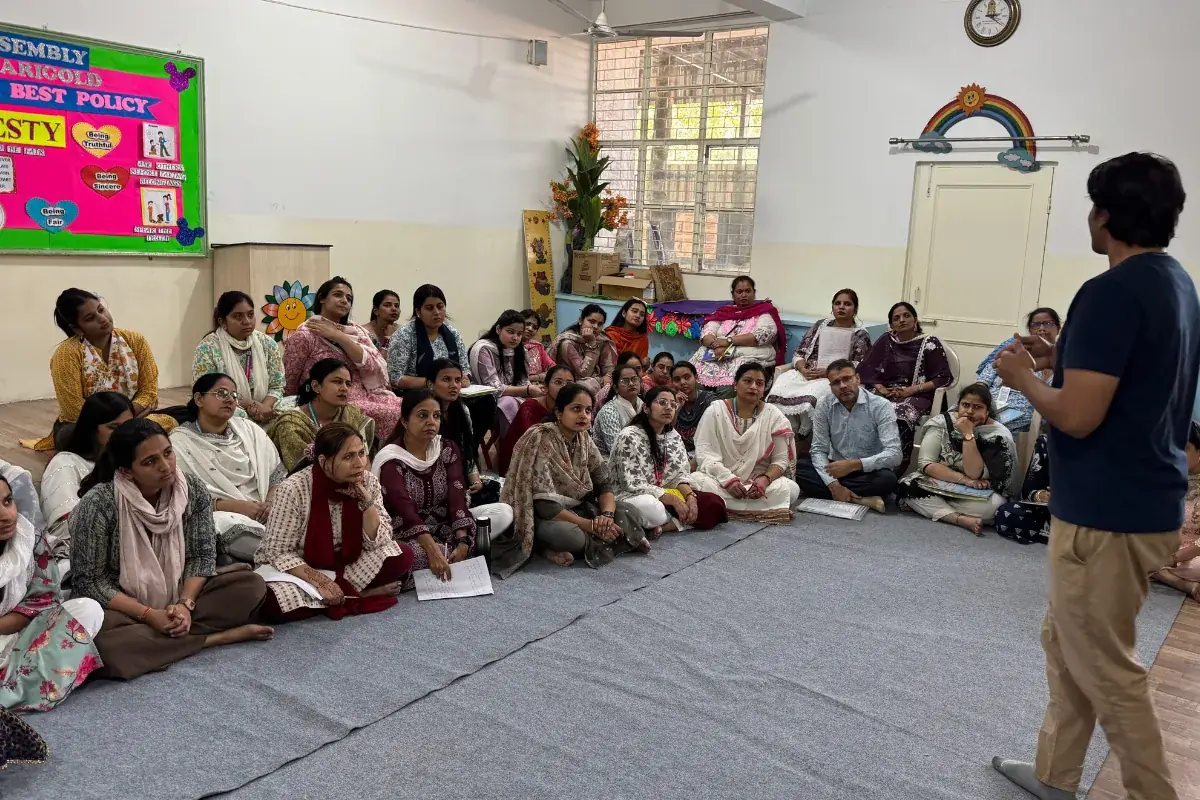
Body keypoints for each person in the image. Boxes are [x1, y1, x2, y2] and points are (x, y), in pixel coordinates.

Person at [992, 152, 1197, 800]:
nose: (1089, 216)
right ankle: (1056, 775)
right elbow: (1132, 378)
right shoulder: (1175, 282)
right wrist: (1065, 357)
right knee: (1067, 641)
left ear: (1106, 215)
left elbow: (1078, 415)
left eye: (1092, 206)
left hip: (1108, 511)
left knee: (1107, 669)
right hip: (1140, 501)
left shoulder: (1111, 290)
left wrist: (1024, 377)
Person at [69, 419, 273, 680]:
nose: (166, 467)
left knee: (251, 586)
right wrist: (148, 615)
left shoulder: (191, 489)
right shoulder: (99, 503)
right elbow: (91, 582)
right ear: (127, 471)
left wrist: (185, 604)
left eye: (168, 453)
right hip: (123, 609)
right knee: (101, 646)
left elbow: (201, 555)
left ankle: (165, 638)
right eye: (150, 462)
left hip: (179, 597)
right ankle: (215, 638)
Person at [256, 423, 411, 621]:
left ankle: (333, 598)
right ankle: (358, 595)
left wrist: (366, 503)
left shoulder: (368, 482)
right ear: (324, 461)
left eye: (362, 453)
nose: (359, 464)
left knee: (402, 555)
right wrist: (321, 582)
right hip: (302, 568)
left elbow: (379, 541)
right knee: (270, 602)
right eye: (348, 457)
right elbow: (278, 551)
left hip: (347, 563)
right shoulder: (293, 489)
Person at [493, 384, 646, 577]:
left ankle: (603, 534)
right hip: (539, 515)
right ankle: (544, 548)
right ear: (559, 412)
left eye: (588, 410)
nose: (583, 415)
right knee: (571, 537)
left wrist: (606, 517)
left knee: (628, 510)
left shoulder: (584, 439)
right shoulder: (540, 438)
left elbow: (603, 483)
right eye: (576, 409)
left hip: (578, 508)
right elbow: (544, 505)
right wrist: (589, 525)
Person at [0, 475, 103, 711]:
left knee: (87, 609)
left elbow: (44, 601)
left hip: (19, 634)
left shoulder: (28, 539)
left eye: (7, 502)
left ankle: (16, 688)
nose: (7, 516)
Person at [373, 391, 496, 589]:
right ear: (405, 421)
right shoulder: (392, 459)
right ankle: (442, 561)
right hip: (406, 530)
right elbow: (404, 510)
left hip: (443, 523)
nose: (431, 421)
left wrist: (463, 541)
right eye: (422, 415)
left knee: (489, 524)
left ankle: (452, 557)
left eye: (436, 416)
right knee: (410, 554)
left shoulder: (446, 449)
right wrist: (432, 550)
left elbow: (457, 496)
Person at [23, 289, 162, 451]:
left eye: (101, 309)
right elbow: (73, 410)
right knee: (85, 442)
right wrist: (118, 422)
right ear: (76, 328)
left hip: (133, 415)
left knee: (171, 423)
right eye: (90, 318)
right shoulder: (66, 354)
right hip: (86, 427)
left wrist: (125, 419)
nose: (102, 319)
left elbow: (149, 392)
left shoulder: (135, 340)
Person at [170, 374, 285, 564]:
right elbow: (186, 499)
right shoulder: (180, 443)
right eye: (221, 393)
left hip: (268, 507)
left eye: (234, 395)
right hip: (224, 513)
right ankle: (282, 553)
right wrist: (237, 507)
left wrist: (270, 503)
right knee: (219, 523)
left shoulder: (249, 429)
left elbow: (276, 476)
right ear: (199, 399)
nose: (230, 399)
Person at [283, 276, 402, 441]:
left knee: (412, 407)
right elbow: (291, 378)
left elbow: (374, 366)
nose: (344, 301)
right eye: (338, 295)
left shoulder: (355, 333)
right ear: (322, 299)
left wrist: (338, 336)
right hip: (331, 401)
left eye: (349, 298)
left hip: (368, 394)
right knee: (396, 414)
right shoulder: (305, 335)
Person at [608, 386, 727, 536]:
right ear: (646, 408)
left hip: (668, 493)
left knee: (717, 503)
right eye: (662, 402)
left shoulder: (673, 435)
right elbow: (632, 484)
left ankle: (666, 526)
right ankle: (676, 520)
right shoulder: (629, 436)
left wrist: (690, 498)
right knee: (652, 509)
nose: (668, 408)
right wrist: (673, 500)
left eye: (672, 404)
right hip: (633, 495)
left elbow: (680, 475)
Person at [899, 383, 1015, 536]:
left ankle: (932, 507)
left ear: (988, 412)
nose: (969, 412)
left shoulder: (997, 435)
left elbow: (975, 474)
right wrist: (965, 480)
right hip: (941, 483)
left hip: (977, 495)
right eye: (965, 405)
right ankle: (959, 519)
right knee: (906, 485)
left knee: (993, 507)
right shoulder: (942, 423)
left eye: (977, 407)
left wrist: (968, 435)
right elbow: (926, 464)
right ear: (958, 405)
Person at [689, 362, 800, 522]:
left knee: (792, 489)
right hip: (721, 480)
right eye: (747, 381)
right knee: (697, 480)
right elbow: (705, 455)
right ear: (735, 384)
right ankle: (761, 511)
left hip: (756, 483)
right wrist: (729, 480)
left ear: (763, 390)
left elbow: (780, 460)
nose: (753, 387)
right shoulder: (715, 410)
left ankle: (725, 508)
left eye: (759, 383)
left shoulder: (774, 415)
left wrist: (765, 479)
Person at [796, 359, 902, 513]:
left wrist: (855, 464)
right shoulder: (824, 404)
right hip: (836, 469)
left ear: (857, 379)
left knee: (888, 480)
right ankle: (859, 499)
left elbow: (895, 454)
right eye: (836, 382)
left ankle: (839, 494)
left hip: (867, 470)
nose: (843, 386)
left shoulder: (881, 406)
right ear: (830, 387)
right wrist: (833, 484)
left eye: (847, 379)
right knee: (799, 469)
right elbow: (819, 449)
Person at [39, 392, 135, 562]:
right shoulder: (66, 464)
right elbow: (65, 528)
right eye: (113, 427)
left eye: (129, 425)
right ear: (92, 429)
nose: (125, 433)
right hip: (86, 555)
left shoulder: (134, 462)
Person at [767, 289, 873, 434]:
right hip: (808, 372)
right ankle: (789, 428)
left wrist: (828, 373)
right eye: (837, 303)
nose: (841, 307)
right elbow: (800, 352)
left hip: (833, 377)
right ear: (832, 307)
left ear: (854, 310)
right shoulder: (820, 325)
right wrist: (803, 369)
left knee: (817, 392)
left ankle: (805, 431)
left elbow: (860, 364)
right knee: (783, 381)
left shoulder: (860, 334)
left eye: (847, 304)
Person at [856, 301, 954, 456]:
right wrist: (881, 388)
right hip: (886, 391)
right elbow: (865, 369)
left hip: (917, 394)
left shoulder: (930, 343)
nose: (902, 320)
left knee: (899, 414)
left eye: (906, 315)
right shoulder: (886, 340)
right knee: (862, 408)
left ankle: (897, 459)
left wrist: (911, 390)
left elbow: (942, 378)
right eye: (896, 318)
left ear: (915, 320)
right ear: (891, 325)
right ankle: (863, 455)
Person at [424, 360, 511, 531]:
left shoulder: (461, 409)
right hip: (434, 487)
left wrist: (475, 479)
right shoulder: (423, 414)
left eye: (457, 380)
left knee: (508, 493)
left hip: (461, 480)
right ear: (430, 384)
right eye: (446, 380)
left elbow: (468, 449)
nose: (454, 385)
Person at [192, 291, 285, 425]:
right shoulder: (207, 349)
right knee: (238, 421)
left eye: (250, 315)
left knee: (291, 414)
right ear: (222, 322)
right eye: (238, 316)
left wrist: (264, 407)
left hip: (264, 407)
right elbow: (208, 394)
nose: (247, 321)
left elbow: (277, 385)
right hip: (226, 409)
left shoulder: (266, 343)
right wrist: (247, 409)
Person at [269, 359, 375, 472]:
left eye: (348, 384)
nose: (344, 388)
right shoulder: (291, 425)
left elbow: (365, 461)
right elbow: (304, 471)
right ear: (315, 386)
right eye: (337, 381)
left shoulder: (352, 415)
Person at [689, 277, 786, 393]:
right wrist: (716, 345)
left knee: (725, 389)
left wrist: (728, 341)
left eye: (748, 291)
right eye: (739, 292)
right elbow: (707, 333)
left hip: (745, 358)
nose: (744, 295)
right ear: (733, 294)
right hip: (716, 356)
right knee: (694, 382)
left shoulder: (763, 313)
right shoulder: (724, 312)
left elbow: (761, 336)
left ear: (754, 293)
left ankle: (722, 410)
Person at [976, 307, 1061, 433]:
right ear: (1030, 329)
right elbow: (987, 373)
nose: (1041, 328)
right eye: (1036, 324)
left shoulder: (1063, 361)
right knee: (947, 419)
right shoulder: (1016, 347)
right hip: (990, 400)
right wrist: (977, 392)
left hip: (1022, 412)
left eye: (1047, 323)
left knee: (986, 427)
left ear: (1058, 328)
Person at [467, 309, 543, 438]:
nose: (515, 338)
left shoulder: (521, 351)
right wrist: (528, 390)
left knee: (542, 403)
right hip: (486, 402)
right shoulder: (484, 349)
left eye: (519, 334)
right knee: (508, 403)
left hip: (516, 397)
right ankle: (510, 450)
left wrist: (535, 392)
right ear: (498, 329)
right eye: (510, 332)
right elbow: (494, 388)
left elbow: (524, 381)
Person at [388, 284, 472, 390]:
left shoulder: (453, 334)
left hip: (451, 394)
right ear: (418, 312)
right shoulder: (404, 335)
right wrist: (433, 383)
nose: (436, 312)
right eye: (429, 308)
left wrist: (465, 378)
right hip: (417, 396)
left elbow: (465, 370)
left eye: (440, 306)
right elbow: (395, 378)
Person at [498, 363, 574, 476]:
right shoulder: (530, 408)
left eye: (569, 383)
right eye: (558, 382)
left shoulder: (574, 409)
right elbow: (531, 448)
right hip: (524, 466)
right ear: (546, 387)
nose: (564, 387)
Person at [1152, 425, 1200, 600]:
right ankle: (1184, 584)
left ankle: (1156, 571)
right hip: (1171, 549)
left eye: (1185, 448)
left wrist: (1172, 559)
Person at [994, 433, 1051, 545]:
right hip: (1052, 513)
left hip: (1086, 515)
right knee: (1004, 513)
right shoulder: (1046, 442)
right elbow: (1028, 492)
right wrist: (1042, 495)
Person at [551, 304, 616, 395]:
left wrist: (608, 376)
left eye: (600, 324)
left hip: (597, 381)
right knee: (588, 386)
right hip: (572, 382)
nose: (595, 327)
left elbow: (608, 367)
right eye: (591, 321)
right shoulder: (567, 342)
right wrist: (591, 344)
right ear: (581, 320)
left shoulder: (602, 340)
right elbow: (584, 374)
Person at [593, 364, 644, 456]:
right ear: (616, 388)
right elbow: (617, 450)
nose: (631, 383)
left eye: (635, 379)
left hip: (639, 457)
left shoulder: (644, 406)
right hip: (609, 462)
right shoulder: (609, 411)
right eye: (625, 381)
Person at [671, 361, 716, 458]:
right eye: (677, 380)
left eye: (687, 377)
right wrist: (676, 409)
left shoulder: (710, 401)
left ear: (696, 378)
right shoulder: (670, 403)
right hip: (678, 453)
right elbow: (666, 433)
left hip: (706, 453)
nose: (682, 382)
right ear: (672, 383)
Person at [521, 308, 556, 384]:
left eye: (534, 327)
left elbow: (554, 368)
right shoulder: (510, 345)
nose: (530, 329)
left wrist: (536, 377)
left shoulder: (537, 346)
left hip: (539, 385)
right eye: (527, 324)